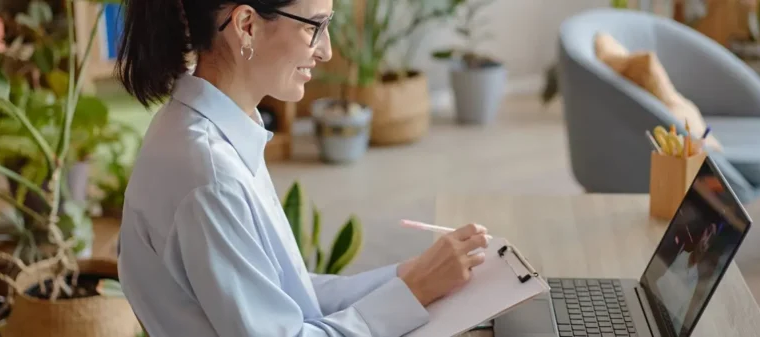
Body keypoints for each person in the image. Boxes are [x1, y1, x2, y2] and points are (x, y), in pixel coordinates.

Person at [112, 0, 491, 336]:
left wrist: (409, 277)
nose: (326, 51)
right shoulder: (209, 178)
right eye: (315, 27)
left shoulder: (214, 131)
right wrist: (414, 291)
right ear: (246, 25)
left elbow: (289, 294)